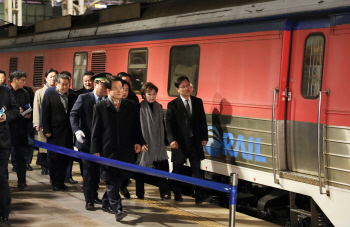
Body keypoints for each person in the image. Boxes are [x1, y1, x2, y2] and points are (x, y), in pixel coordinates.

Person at [91, 76, 142, 221]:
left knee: (119, 178)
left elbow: (136, 126)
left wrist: (138, 141)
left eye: (121, 88)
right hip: (108, 150)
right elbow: (96, 131)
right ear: (107, 91)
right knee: (111, 179)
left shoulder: (130, 105)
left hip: (125, 149)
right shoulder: (100, 107)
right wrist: (95, 150)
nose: (120, 91)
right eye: (116, 88)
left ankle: (106, 203)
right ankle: (117, 208)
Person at [166, 75, 211, 204]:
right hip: (179, 143)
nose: (187, 88)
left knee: (196, 169)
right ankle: (177, 193)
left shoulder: (197, 102)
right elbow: (169, 124)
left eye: (188, 85)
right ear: (177, 89)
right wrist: (171, 140)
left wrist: (204, 137)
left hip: (195, 142)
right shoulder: (173, 105)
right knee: (177, 169)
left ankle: (199, 195)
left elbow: (203, 121)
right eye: (183, 86)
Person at [70, 72, 110, 211]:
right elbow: (73, 115)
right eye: (105, 86)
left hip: (101, 144)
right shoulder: (83, 98)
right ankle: (89, 200)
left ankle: (94, 195)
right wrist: (76, 130)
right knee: (88, 172)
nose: (107, 89)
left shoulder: (107, 101)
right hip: (86, 142)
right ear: (96, 84)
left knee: (97, 172)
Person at [42, 71, 77, 191]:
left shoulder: (73, 96)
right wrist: (46, 129)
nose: (65, 87)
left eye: (67, 84)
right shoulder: (49, 95)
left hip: (67, 133)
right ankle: (54, 182)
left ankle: (62, 182)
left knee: (65, 159)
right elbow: (45, 113)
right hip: (54, 133)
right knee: (54, 159)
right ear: (57, 84)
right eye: (62, 84)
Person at [136, 82, 171, 200]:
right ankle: (140, 193)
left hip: (158, 144)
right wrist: (141, 142)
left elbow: (162, 126)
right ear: (144, 95)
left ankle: (165, 193)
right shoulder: (139, 107)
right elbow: (137, 127)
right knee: (141, 167)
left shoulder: (159, 107)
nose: (152, 96)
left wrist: (165, 142)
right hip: (145, 142)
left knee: (162, 168)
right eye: (149, 94)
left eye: (154, 94)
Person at [7, 70, 31, 190]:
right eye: (22, 80)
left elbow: (28, 107)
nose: (24, 82)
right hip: (7, 130)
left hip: (21, 129)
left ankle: (22, 181)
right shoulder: (4, 92)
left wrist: (27, 113)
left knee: (21, 157)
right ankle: (4, 182)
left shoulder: (25, 93)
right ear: (15, 80)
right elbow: (0, 112)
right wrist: (15, 112)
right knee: (5, 158)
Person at [0, 85, 19, 223]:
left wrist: (5, 116)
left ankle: (3, 214)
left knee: (2, 179)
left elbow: (15, 109)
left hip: (2, 142)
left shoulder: (5, 90)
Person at [33, 68, 58, 175]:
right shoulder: (39, 92)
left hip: (55, 124)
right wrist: (37, 123)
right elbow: (36, 109)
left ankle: (52, 166)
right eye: (51, 76)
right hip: (43, 124)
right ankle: (44, 166)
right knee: (43, 147)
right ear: (46, 78)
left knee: (53, 148)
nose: (53, 79)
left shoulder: (58, 91)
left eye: (55, 77)